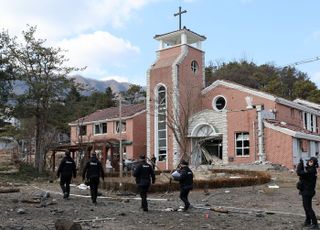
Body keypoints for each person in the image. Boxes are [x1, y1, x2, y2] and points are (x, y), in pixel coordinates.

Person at [297, 157, 319, 229]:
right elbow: (303, 172)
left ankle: (315, 224)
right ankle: (308, 221)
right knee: (306, 207)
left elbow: (299, 172)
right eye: (309, 161)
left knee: (308, 208)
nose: (309, 162)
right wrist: (303, 164)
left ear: (314, 163)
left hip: (308, 192)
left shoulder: (311, 171)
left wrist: (300, 163)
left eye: (311, 162)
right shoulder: (310, 169)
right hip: (307, 191)